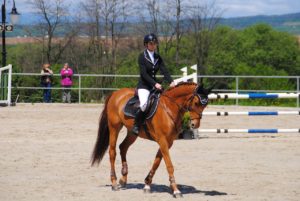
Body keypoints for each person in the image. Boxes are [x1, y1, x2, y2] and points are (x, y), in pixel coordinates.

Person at [132, 33, 176, 134]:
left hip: (155, 85)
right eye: (151, 43)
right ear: (146, 44)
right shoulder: (142, 57)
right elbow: (144, 74)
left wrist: (171, 81)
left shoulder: (158, 57)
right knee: (144, 105)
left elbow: (164, 70)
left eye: (155, 43)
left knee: (166, 101)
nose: (153, 45)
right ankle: (136, 124)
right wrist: (154, 84)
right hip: (144, 86)